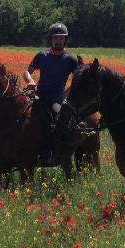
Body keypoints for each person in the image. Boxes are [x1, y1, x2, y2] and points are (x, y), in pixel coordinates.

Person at [23, 22, 79, 165]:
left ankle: (53, 152)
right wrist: (30, 80)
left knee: (57, 122)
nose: (58, 41)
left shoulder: (70, 59)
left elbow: (80, 80)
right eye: (56, 38)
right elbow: (27, 71)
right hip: (38, 94)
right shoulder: (41, 56)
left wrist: (67, 93)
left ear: (65, 40)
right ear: (51, 39)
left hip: (56, 99)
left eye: (61, 38)